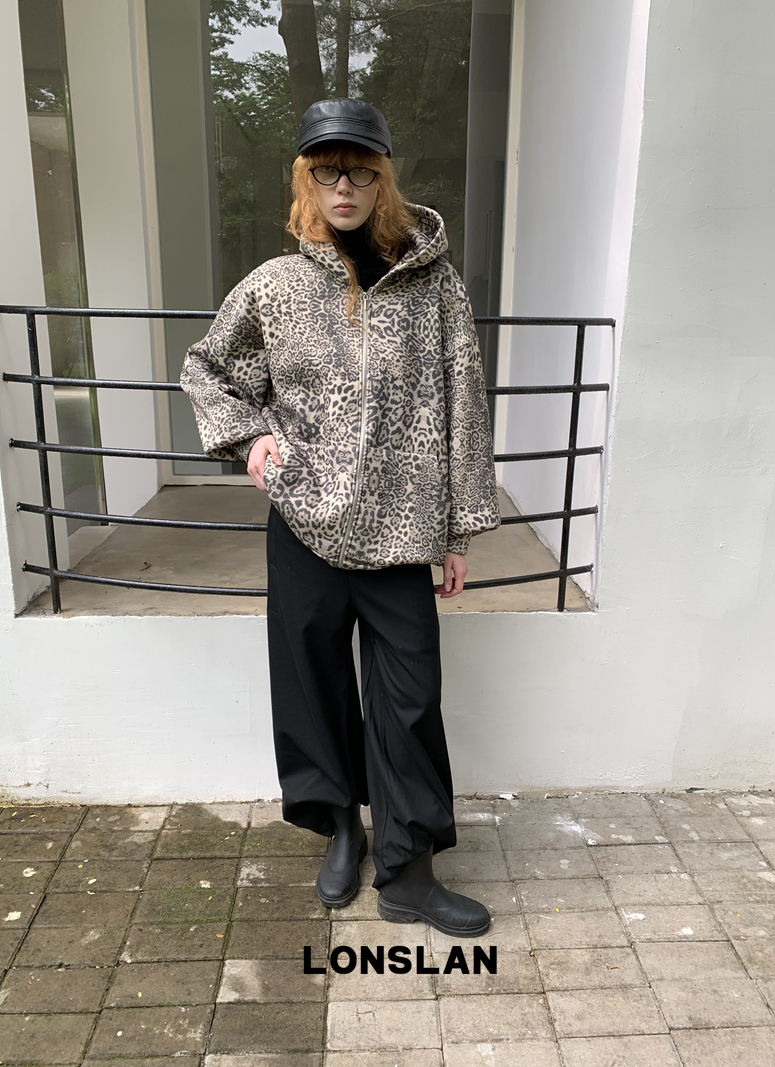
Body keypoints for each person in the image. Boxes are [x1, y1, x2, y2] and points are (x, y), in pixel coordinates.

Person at [181, 98, 501, 936]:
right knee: (312, 686)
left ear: (382, 176)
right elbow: (208, 367)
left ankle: (409, 869)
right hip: (305, 524)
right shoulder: (277, 285)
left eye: (360, 169)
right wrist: (251, 438)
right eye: (328, 170)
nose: (345, 186)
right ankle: (340, 830)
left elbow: (464, 403)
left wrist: (458, 529)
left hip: (402, 530)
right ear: (307, 180)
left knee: (410, 698)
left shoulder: (433, 285)